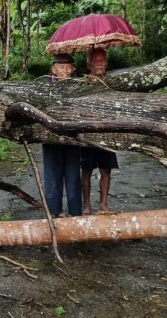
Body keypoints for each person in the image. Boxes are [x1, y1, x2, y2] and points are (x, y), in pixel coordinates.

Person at [42, 54, 82, 217]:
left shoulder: (79, 86)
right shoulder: (44, 85)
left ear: (73, 69)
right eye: (60, 66)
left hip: (72, 136)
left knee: (73, 176)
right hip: (50, 136)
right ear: (53, 69)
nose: (64, 70)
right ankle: (54, 211)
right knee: (52, 175)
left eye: (68, 67)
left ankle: (75, 213)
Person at [81, 48, 119, 214]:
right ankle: (87, 205)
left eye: (102, 60)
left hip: (106, 132)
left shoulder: (112, 83)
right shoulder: (82, 84)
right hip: (88, 132)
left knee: (106, 170)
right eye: (95, 61)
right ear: (88, 63)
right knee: (86, 170)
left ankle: (103, 204)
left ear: (107, 63)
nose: (99, 64)